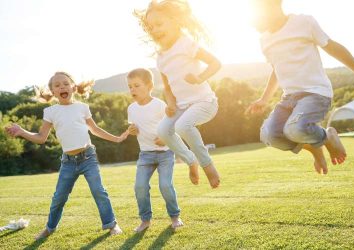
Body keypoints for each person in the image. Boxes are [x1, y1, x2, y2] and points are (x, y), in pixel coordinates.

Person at [246, 0, 354, 174]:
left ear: (274, 6)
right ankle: (316, 146)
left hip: (315, 94)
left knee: (295, 129)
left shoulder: (303, 23)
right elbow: (276, 69)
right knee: (269, 135)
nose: (257, 24)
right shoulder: (264, 40)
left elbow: (332, 47)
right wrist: (264, 99)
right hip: (289, 98)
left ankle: (328, 136)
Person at [5, 72, 127, 239]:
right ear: (53, 92)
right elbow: (41, 138)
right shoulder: (50, 111)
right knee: (59, 197)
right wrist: (21, 131)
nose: (62, 86)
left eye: (65, 83)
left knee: (99, 191)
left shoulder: (83, 108)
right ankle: (49, 228)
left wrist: (117, 138)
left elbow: (95, 130)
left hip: (88, 157)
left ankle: (112, 224)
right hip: (68, 162)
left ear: (73, 88)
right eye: (57, 85)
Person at [134, 0, 222, 188]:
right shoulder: (161, 58)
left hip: (204, 102)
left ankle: (208, 166)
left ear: (174, 21)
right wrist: (171, 103)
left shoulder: (186, 44)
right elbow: (167, 87)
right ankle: (191, 161)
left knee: (183, 126)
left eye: (159, 24)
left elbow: (215, 63)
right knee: (163, 131)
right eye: (151, 27)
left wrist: (199, 77)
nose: (155, 30)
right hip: (182, 106)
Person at [126, 68, 183, 232]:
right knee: (140, 187)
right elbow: (134, 127)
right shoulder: (131, 108)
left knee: (165, 185)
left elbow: (172, 124)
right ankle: (145, 220)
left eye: (136, 85)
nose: (132, 90)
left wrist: (165, 137)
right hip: (145, 154)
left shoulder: (159, 105)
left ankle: (175, 217)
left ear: (149, 85)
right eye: (130, 86)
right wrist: (132, 130)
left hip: (165, 153)